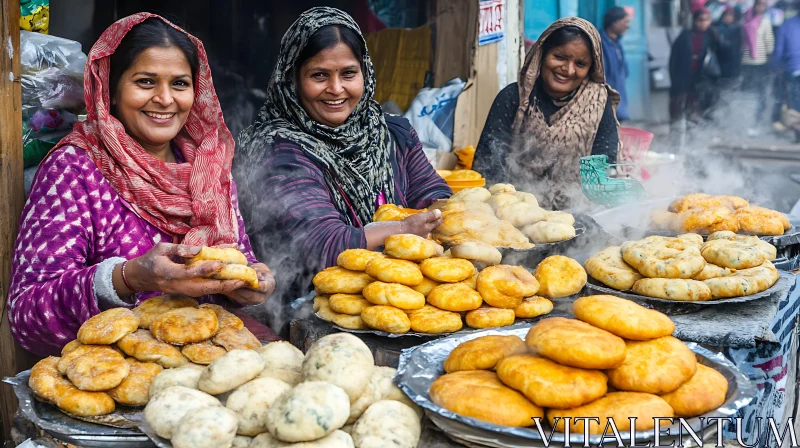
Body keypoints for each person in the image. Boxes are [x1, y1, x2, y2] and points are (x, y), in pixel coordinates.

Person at [8, 14, 277, 356]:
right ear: (112, 90)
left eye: (179, 83)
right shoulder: (75, 169)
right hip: (114, 384)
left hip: (207, 376)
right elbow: (27, 316)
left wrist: (249, 282)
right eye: (146, 81)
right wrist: (130, 278)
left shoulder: (208, 171)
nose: (165, 99)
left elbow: (239, 260)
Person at [234, 7, 450, 331]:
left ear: (366, 72)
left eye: (348, 73)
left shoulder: (392, 133)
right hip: (305, 318)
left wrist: (443, 214)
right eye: (319, 75)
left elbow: (433, 193)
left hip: (395, 308)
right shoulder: (275, 150)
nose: (336, 89)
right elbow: (325, 245)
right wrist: (403, 230)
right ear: (293, 79)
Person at [471, 18, 621, 210]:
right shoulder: (514, 98)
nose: (568, 70)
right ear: (542, 54)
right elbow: (488, 162)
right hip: (513, 212)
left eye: (581, 63)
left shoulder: (598, 102)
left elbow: (604, 164)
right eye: (559, 57)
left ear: (591, 68)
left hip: (579, 214)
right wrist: (509, 208)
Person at [668, 9, 727, 128]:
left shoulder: (712, 35)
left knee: (697, 108)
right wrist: (674, 78)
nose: (703, 23)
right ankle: (676, 134)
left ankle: (696, 133)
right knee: (678, 107)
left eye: (707, 20)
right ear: (694, 21)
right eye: (700, 20)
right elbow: (674, 58)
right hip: (684, 76)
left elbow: (725, 53)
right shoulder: (685, 35)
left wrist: (717, 37)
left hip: (703, 78)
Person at [741, 0, 775, 133]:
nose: (761, 7)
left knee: (760, 93)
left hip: (761, 62)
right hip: (746, 62)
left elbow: (769, 41)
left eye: (763, 5)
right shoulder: (744, 19)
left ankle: (758, 121)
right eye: (759, 4)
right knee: (748, 93)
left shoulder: (765, 21)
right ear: (754, 5)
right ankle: (747, 121)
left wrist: (770, 58)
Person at [772, 6, 800, 141]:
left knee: (796, 103)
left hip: (793, 69)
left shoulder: (786, 25)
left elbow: (779, 50)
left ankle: (798, 133)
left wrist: (774, 67)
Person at [600, 7, 631, 121]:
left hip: (618, 100)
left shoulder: (618, 43)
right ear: (614, 22)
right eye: (625, 21)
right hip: (605, 101)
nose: (627, 25)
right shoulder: (601, 43)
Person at [716, 6, 743, 80]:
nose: (728, 18)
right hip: (719, 59)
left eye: (730, 16)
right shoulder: (717, 28)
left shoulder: (737, 29)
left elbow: (736, 46)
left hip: (732, 60)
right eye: (726, 15)